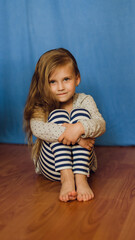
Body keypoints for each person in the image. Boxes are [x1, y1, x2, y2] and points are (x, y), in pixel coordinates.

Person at [24, 48, 106, 202]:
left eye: (66, 79)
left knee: (80, 115)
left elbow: (100, 124)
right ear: (44, 84)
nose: (60, 87)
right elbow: (38, 129)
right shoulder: (42, 105)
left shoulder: (85, 100)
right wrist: (79, 138)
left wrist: (79, 128)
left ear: (77, 78)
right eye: (52, 82)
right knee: (58, 115)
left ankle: (81, 180)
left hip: (81, 166)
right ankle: (67, 179)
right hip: (53, 166)